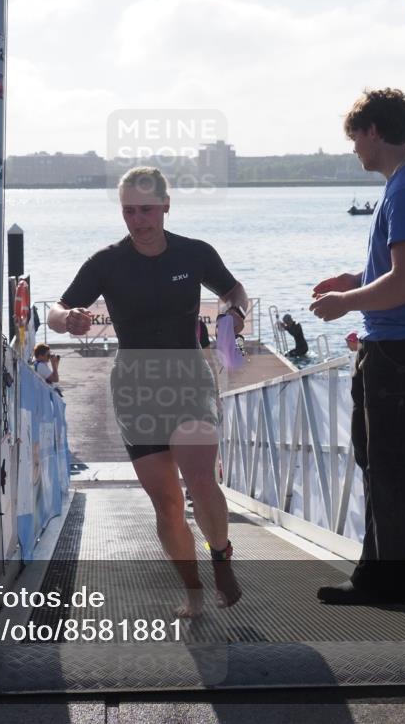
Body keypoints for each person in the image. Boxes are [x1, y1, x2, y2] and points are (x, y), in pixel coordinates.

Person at [47, 167, 248, 616]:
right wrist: (70, 319)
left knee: (200, 478)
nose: (138, 220)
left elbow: (234, 290)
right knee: (168, 504)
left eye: (147, 210)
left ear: (166, 206)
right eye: (129, 211)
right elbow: (57, 311)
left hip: (188, 378)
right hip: (136, 386)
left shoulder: (194, 254)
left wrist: (235, 310)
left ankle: (221, 557)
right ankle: (193, 589)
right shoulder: (107, 262)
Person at [309, 88, 405, 605]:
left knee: (388, 461)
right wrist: (354, 278)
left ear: (374, 131)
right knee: (379, 459)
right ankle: (384, 574)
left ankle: (388, 580)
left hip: (402, 344)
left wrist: (347, 301)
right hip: (397, 340)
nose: (353, 149)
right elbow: (397, 273)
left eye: (354, 137)